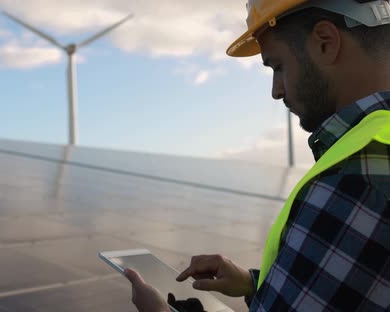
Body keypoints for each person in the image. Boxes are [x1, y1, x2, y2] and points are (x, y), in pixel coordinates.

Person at [126, 0, 390, 311]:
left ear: (325, 43)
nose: (276, 91)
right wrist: (254, 283)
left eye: (278, 66)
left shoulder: (359, 176)